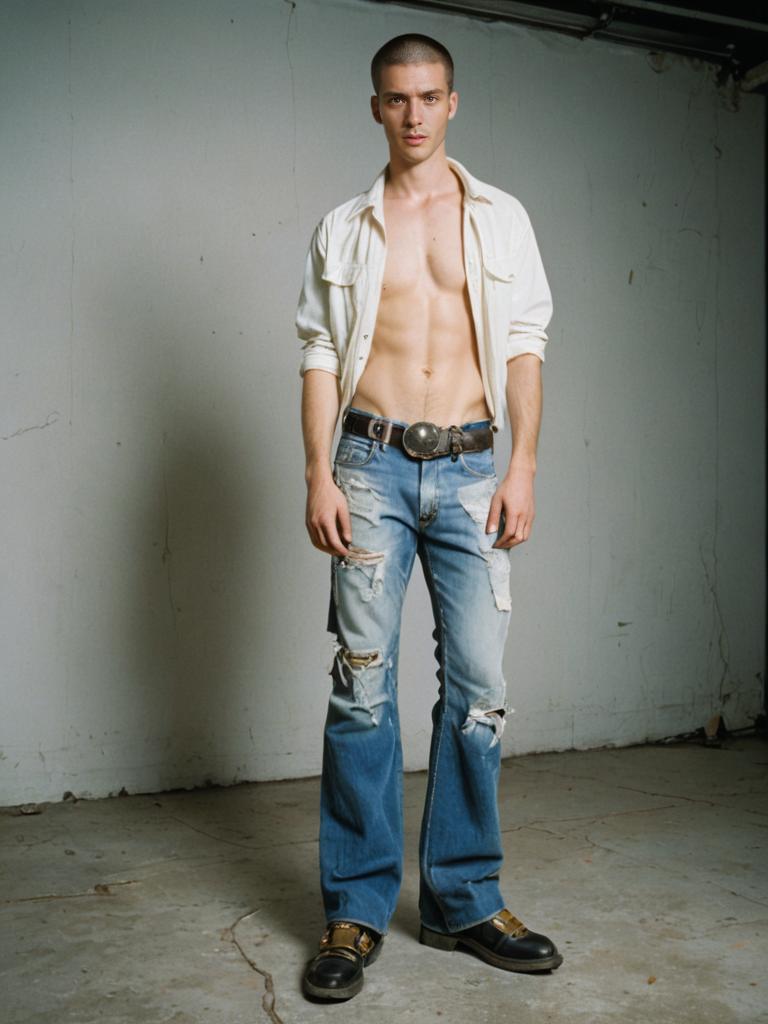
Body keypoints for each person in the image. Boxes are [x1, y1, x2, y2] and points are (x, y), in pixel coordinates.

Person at [296, 33, 562, 1002]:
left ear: (455, 103)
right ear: (375, 107)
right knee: (362, 690)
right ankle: (356, 910)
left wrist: (522, 465)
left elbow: (525, 343)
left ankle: (461, 896)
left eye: (430, 96)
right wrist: (318, 472)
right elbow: (320, 353)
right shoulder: (345, 228)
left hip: (471, 467)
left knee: (480, 687)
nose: (414, 114)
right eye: (397, 98)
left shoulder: (500, 220)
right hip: (366, 466)